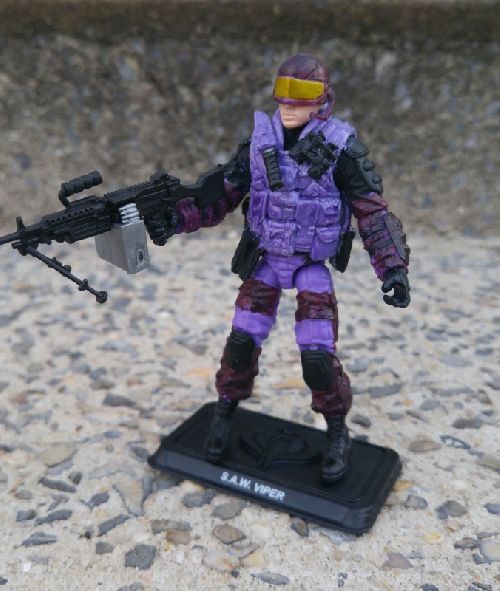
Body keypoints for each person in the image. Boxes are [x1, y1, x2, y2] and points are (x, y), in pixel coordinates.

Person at [146, 53, 410, 482]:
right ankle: (224, 413)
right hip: (266, 260)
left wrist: (392, 266)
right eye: (283, 92)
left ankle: (337, 431)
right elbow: (220, 196)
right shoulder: (259, 143)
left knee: (318, 358)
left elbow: (372, 211)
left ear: (323, 99)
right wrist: (176, 219)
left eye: (301, 94)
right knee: (240, 344)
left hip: (309, 265)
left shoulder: (342, 148)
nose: (289, 104)